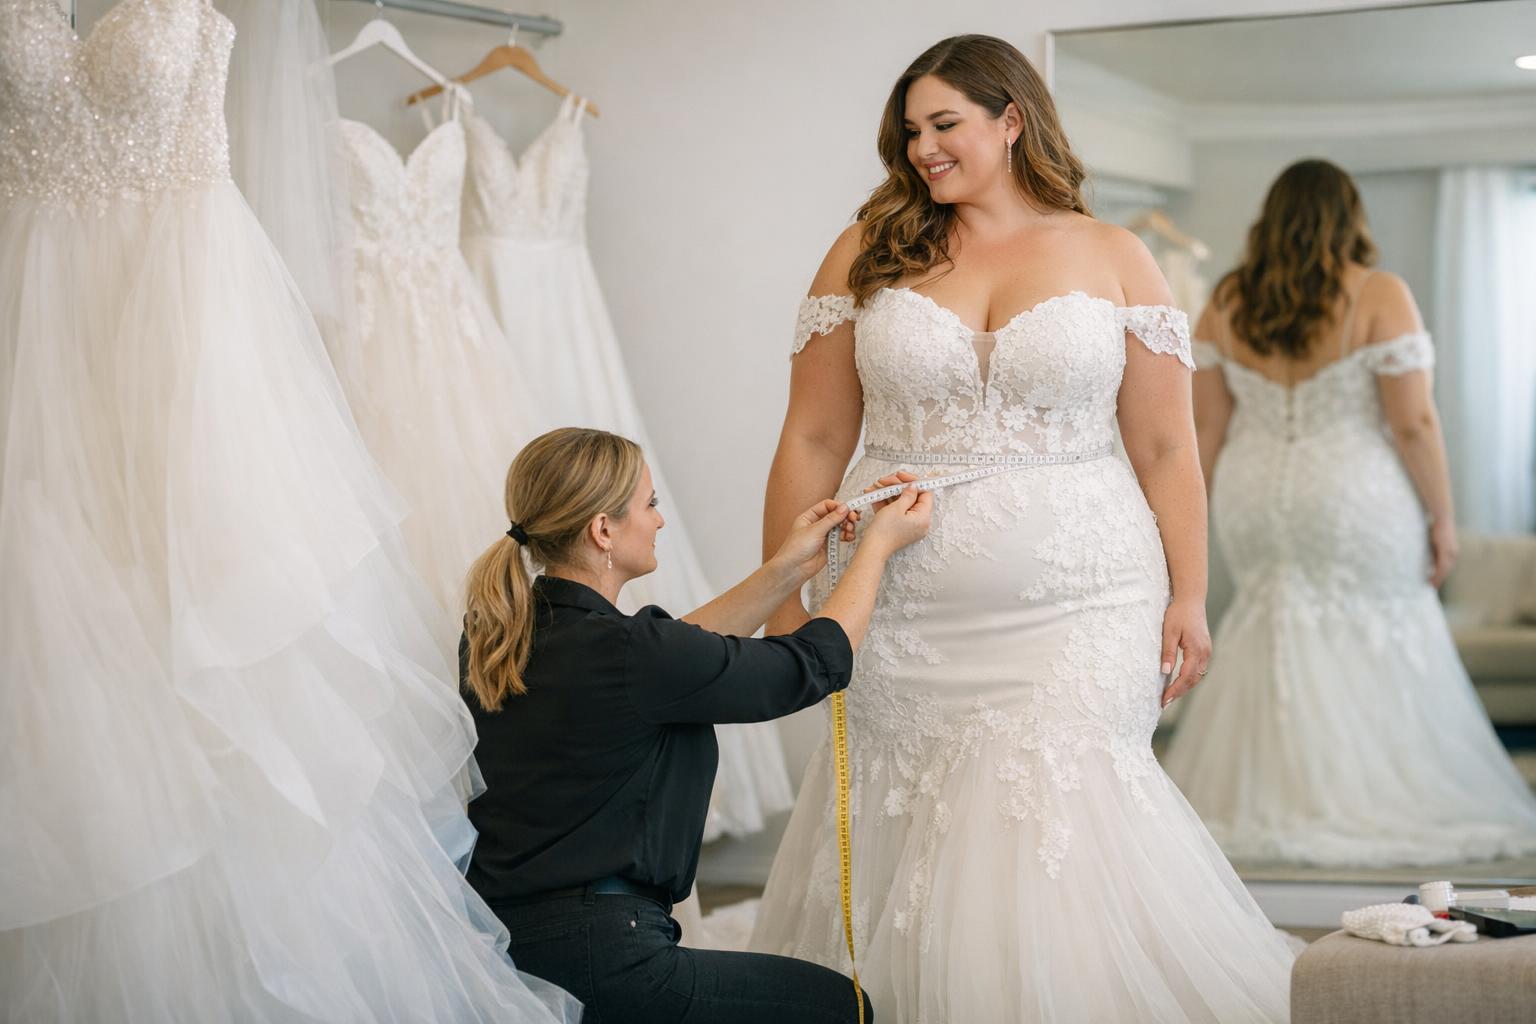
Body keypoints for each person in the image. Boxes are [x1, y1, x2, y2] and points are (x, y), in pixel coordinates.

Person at [748, 34, 1294, 1022]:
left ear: (1013, 119)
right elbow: (816, 430)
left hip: (1086, 599)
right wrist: (783, 586)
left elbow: (1169, 447)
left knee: (1059, 806)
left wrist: (1191, 593)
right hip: (897, 606)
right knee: (905, 817)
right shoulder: (866, 249)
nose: (922, 148)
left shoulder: (1114, 253)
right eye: (910, 130)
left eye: (945, 124)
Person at [459, 427, 933, 1023]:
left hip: (514, 945)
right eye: (650, 505)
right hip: (610, 959)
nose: (659, 521)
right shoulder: (634, 654)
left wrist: (786, 568)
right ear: (603, 531)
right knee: (845, 1008)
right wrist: (876, 549)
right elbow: (816, 663)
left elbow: (676, 655)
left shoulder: (502, 636)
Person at [1161, 158, 1536, 865]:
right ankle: (1361, 795)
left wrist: (1186, 523)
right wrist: (1444, 518)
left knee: (1271, 620)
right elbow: (1414, 424)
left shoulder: (1229, 301)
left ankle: (1273, 795)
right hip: (1352, 491)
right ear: (1349, 216)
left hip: (1254, 492)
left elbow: (1205, 430)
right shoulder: (1378, 293)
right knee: (1374, 626)